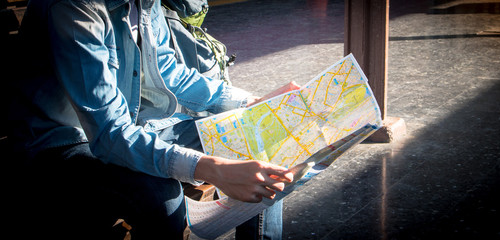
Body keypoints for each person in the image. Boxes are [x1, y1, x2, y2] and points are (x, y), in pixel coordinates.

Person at [8, 0, 299, 239]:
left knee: (257, 138)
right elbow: (109, 133)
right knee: (162, 198)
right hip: (61, 142)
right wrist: (214, 169)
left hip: (131, 121)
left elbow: (170, 72)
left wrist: (251, 104)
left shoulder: (146, 2)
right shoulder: (74, 7)